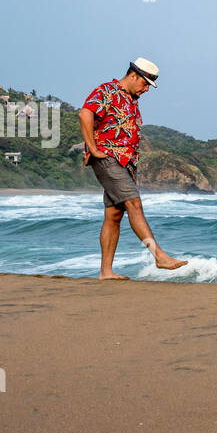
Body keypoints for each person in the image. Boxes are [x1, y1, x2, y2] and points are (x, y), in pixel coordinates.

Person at [79, 58, 187, 279]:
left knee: (114, 214)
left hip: (125, 164)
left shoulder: (131, 99)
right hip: (108, 158)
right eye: (145, 84)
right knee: (133, 202)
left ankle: (106, 272)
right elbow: (85, 113)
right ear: (133, 76)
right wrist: (93, 148)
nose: (146, 89)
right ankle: (159, 256)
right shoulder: (107, 90)